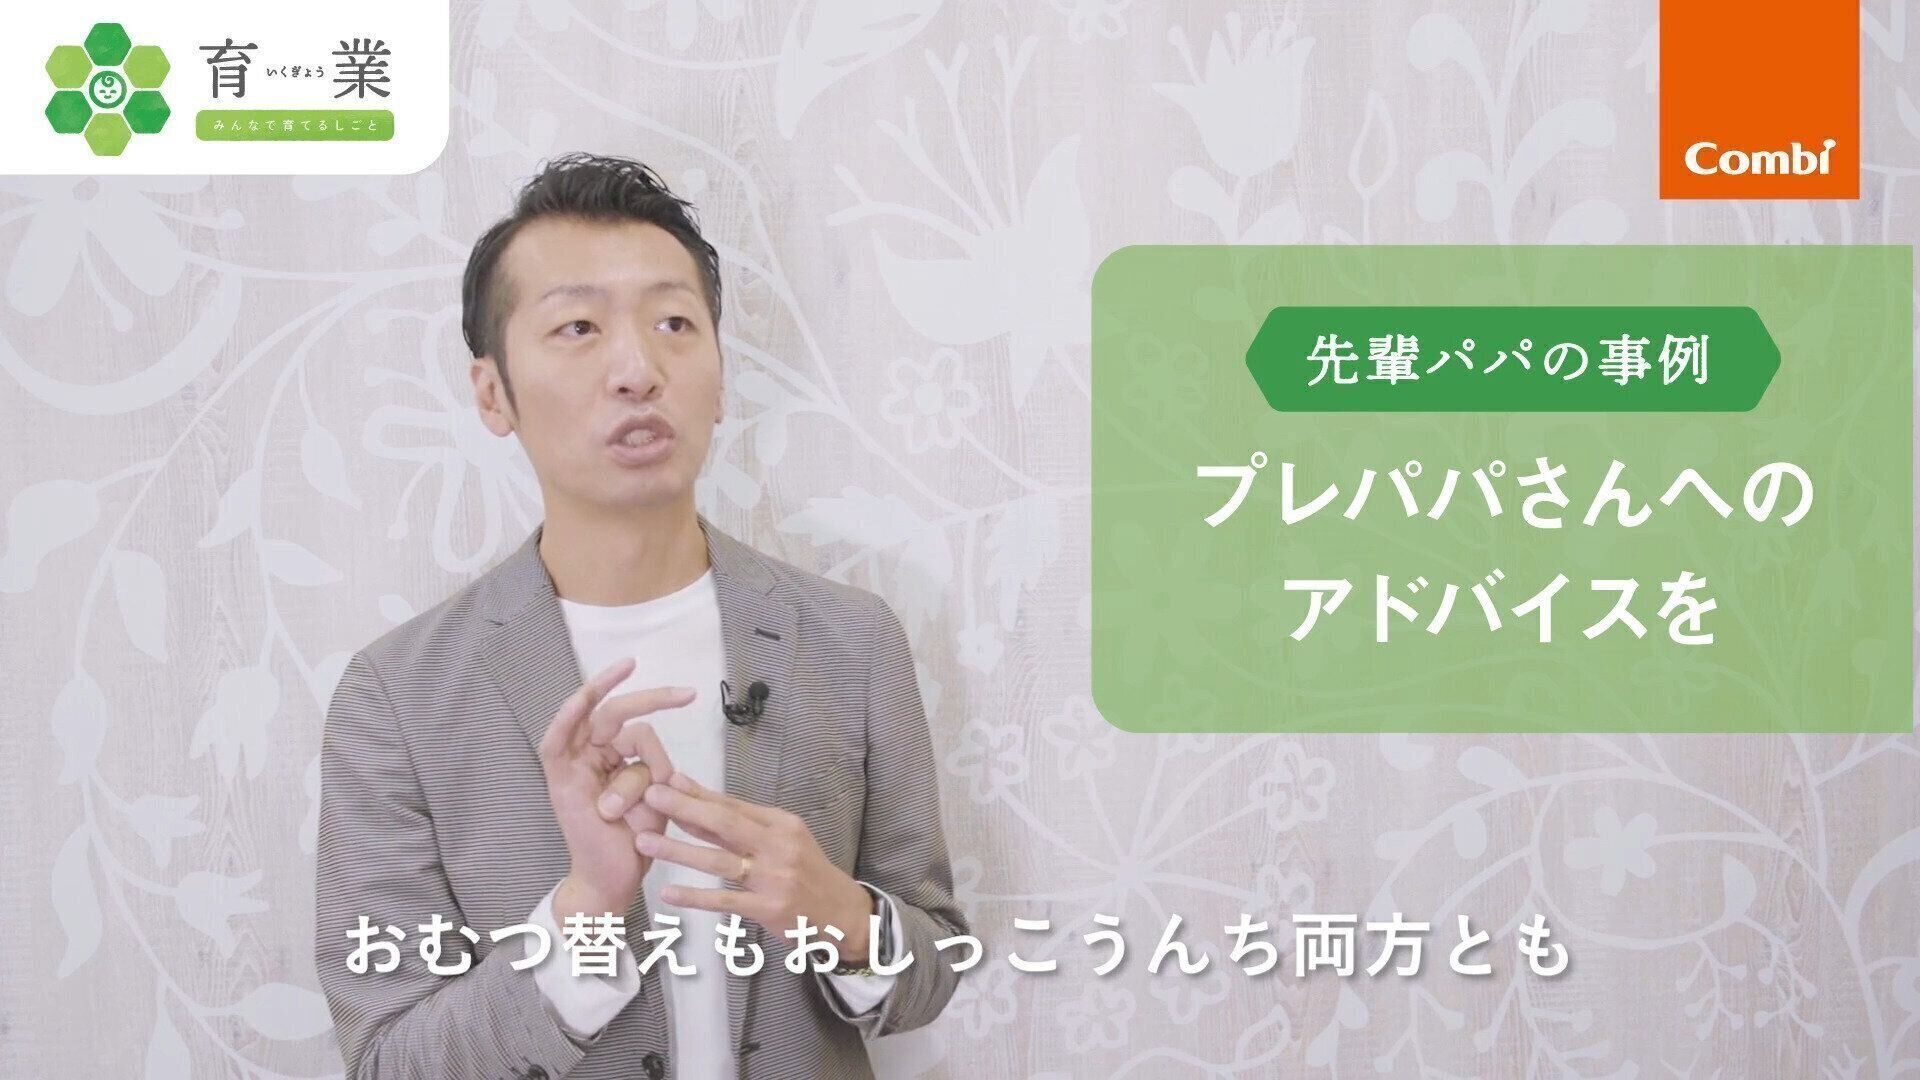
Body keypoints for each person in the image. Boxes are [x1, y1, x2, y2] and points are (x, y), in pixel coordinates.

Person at [314, 152, 968, 1080]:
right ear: (492, 392)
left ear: (721, 377)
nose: (638, 368)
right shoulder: (398, 695)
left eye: (673, 324)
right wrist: (586, 905)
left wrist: (841, 915)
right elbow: (390, 1059)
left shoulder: (852, 640)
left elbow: (933, 966)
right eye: (578, 327)